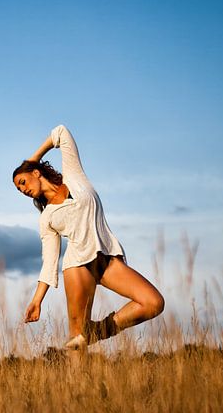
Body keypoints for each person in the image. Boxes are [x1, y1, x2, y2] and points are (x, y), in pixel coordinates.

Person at [12, 124, 164, 351]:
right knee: (77, 335)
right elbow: (50, 262)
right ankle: (77, 384)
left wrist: (32, 160)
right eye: (18, 189)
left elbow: (61, 132)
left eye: (22, 182)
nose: (22, 189)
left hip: (107, 259)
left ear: (36, 173)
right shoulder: (47, 218)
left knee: (153, 303)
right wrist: (37, 300)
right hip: (77, 266)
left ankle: (99, 331)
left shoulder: (74, 176)